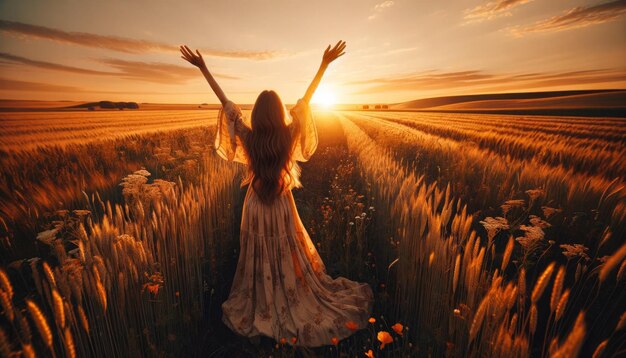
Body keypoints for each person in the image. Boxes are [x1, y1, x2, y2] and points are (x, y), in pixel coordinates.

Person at [180, 41, 373, 347]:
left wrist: (203, 68)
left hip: (255, 206)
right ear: (279, 112)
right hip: (283, 205)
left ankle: (264, 302)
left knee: (258, 254)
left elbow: (226, 103)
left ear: (256, 114)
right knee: (287, 252)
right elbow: (306, 102)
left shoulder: (248, 136)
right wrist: (324, 65)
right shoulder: (288, 135)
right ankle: (289, 296)